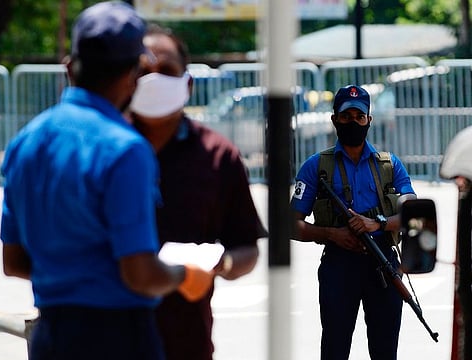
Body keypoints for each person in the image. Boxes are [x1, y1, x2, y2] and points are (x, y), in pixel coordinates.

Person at [0, 3, 213, 360]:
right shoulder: (126, 149)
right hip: (117, 336)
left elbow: (14, 262)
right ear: (135, 74)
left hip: (50, 335)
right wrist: (186, 275)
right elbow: (140, 274)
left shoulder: (25, 142)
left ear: (70, 67)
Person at [127, 24, 267, 360]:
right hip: (109, 338)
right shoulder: (103, 149)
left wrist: (220, 263)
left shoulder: (218, 156)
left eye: (166, 71)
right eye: (144, 71)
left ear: (186, 83)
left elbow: (246, 247)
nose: (154, 79)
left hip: (185, 340)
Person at [290, 85, 416, 360]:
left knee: (385, 350)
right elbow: (291, 225)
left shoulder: (390, 165)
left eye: (360, 117)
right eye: (346, 117)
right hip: (339, 265)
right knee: (335, 348)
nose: (353, 122)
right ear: (334, 119)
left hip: (382, 263)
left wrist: (377, 224)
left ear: (369, 120)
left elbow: (412, 214)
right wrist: (331, 234)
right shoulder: (316, 167)